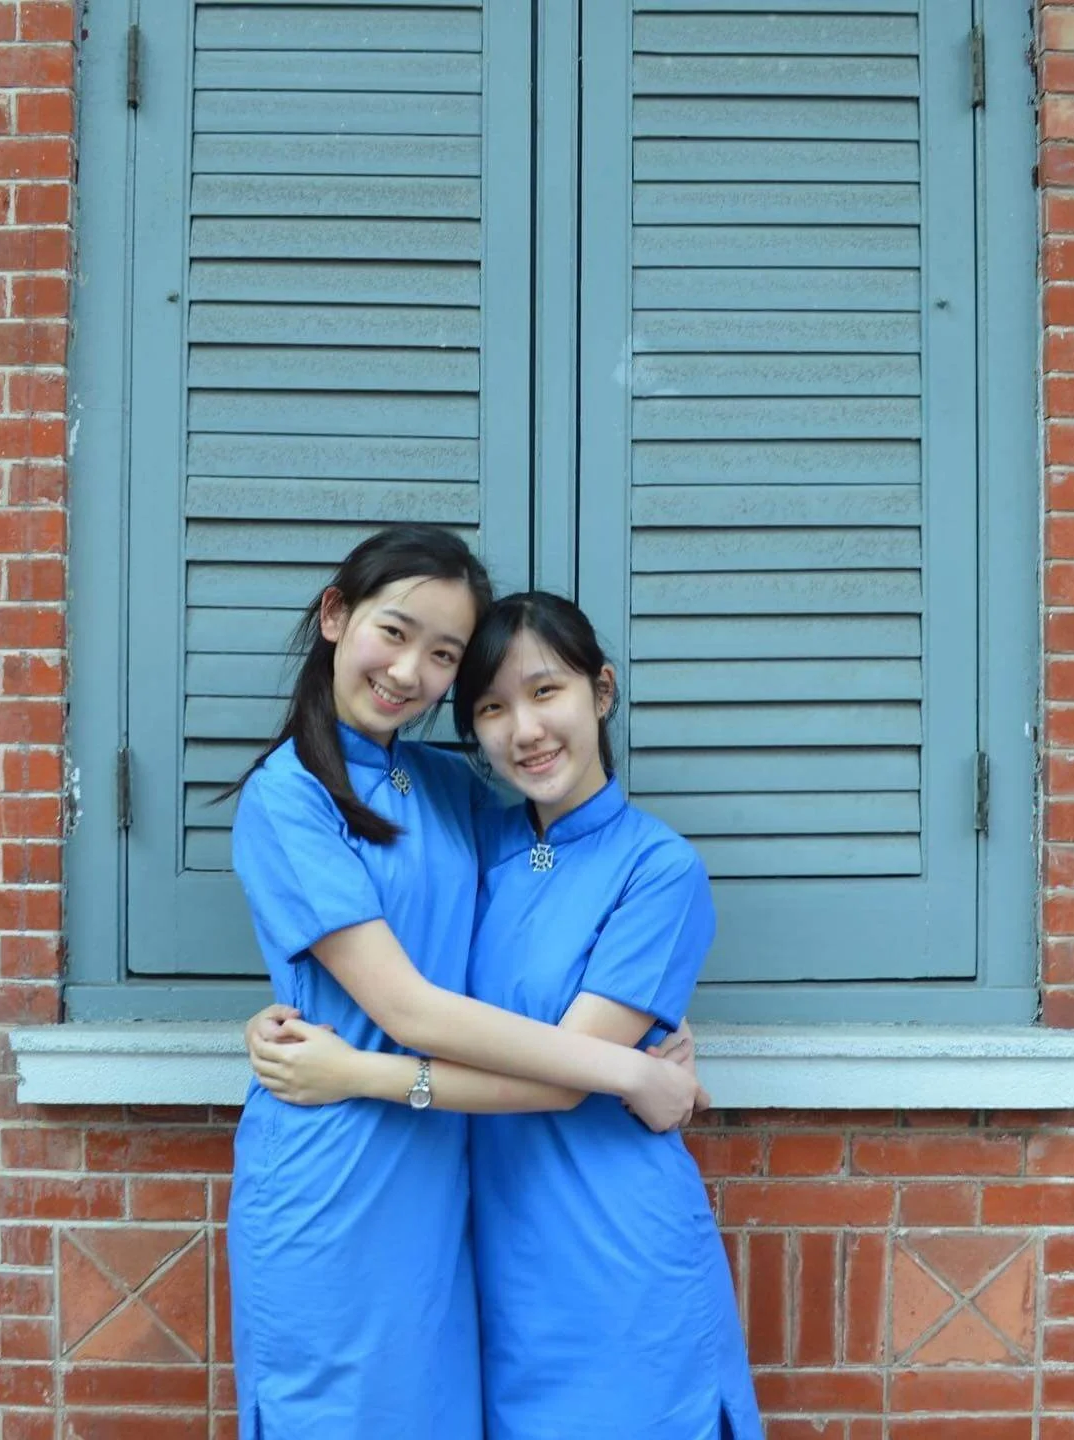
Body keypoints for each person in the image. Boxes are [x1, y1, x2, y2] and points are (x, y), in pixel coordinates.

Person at [249, 590, 760, 1439]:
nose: (525, 730)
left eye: (546, 691)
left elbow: (562, 1079)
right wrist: (284, 1013)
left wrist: (354, 1072)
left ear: (602, 691)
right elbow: (389, 955)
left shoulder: (659, 871)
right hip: (489, 1268)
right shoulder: (474, 843)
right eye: (491, 708)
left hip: (614, 1251)